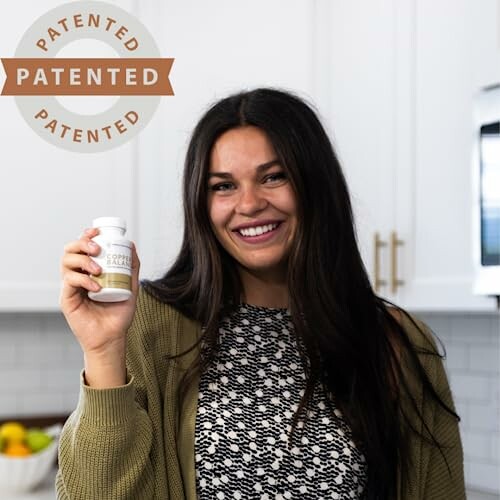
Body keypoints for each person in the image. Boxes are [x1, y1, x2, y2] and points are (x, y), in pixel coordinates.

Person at [56, 88, 465, 500]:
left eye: (273, 176)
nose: (249, 204)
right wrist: (105, 349)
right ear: (201, 203)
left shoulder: (397, 342)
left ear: (314, 185)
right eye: (223, 186)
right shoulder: (152, 326)